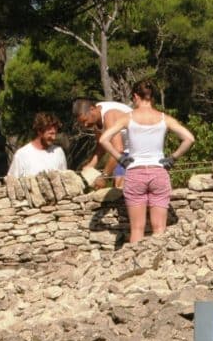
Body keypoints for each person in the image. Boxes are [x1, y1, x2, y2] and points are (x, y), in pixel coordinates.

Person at [98, 79, 194, 244]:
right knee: (159, 228)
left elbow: (104, 139)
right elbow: (189, 138)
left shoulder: (128, 118)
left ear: (136, 96)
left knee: (137, 229)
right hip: (158, 172)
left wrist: (120, 158)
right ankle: (159, 258)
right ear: (152, 97)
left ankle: (136, 257)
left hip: (135, 172)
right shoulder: (164, 118)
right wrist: (173, 158)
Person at [72, 97, 133, 188]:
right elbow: (101, 146)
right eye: (82, 123)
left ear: (92, 109)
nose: (85, 125)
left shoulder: (109, 115)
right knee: (117, 186)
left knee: (120, 185)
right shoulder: (96, 117)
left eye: (85, 120)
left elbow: (118, 150)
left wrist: (104, 176)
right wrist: (91, 165)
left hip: (138, 150)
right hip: (126, 151)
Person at [7, 112, 67, 177]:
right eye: (51, 133)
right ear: (39, 131)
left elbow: (65, 178)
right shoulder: (22, 155)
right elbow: (12, 180)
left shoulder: (58, 152)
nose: (54, 137)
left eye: (55, 133)